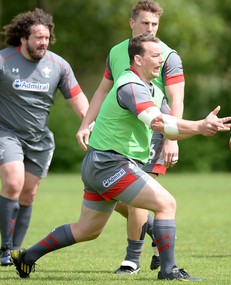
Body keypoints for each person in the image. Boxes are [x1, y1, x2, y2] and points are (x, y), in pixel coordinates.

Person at [11, 33, 231, 281]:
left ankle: (27, 257)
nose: (162, 60)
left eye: (162, 55)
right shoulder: (130, 85)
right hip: (110, 163)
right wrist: (199, 126)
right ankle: (168, 270)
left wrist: (201, 129)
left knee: (87, 230)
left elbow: (171, 128)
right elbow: (158, 122)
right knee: (166, 204)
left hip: (100, 164)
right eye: (155, 56)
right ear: (138, 60)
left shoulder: (152, 90)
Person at [0, 8, 89, 266]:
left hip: (39, 139)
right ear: (23, 38)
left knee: (28, 194)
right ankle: (5, 249)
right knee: (13, 183)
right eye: (38, 37)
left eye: (46, 37)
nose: (43, 42)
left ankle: (16, 249)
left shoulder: (59, 66)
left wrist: (89, 124)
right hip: (4, 133)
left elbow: (77, 98)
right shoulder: (0, 60)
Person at [76, 0, 184, 274]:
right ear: (131, 23)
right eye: (145, 23)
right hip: (118, 135)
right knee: (121, 198)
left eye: (154, 24)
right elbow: (103, 90)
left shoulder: (168, 56)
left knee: (138, 198)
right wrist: (86, 123)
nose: (149, 28)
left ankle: (131, 259)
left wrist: (173, 138)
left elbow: (176, 98)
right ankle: (157, 233)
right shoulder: (116, 51)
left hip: (153, 132)